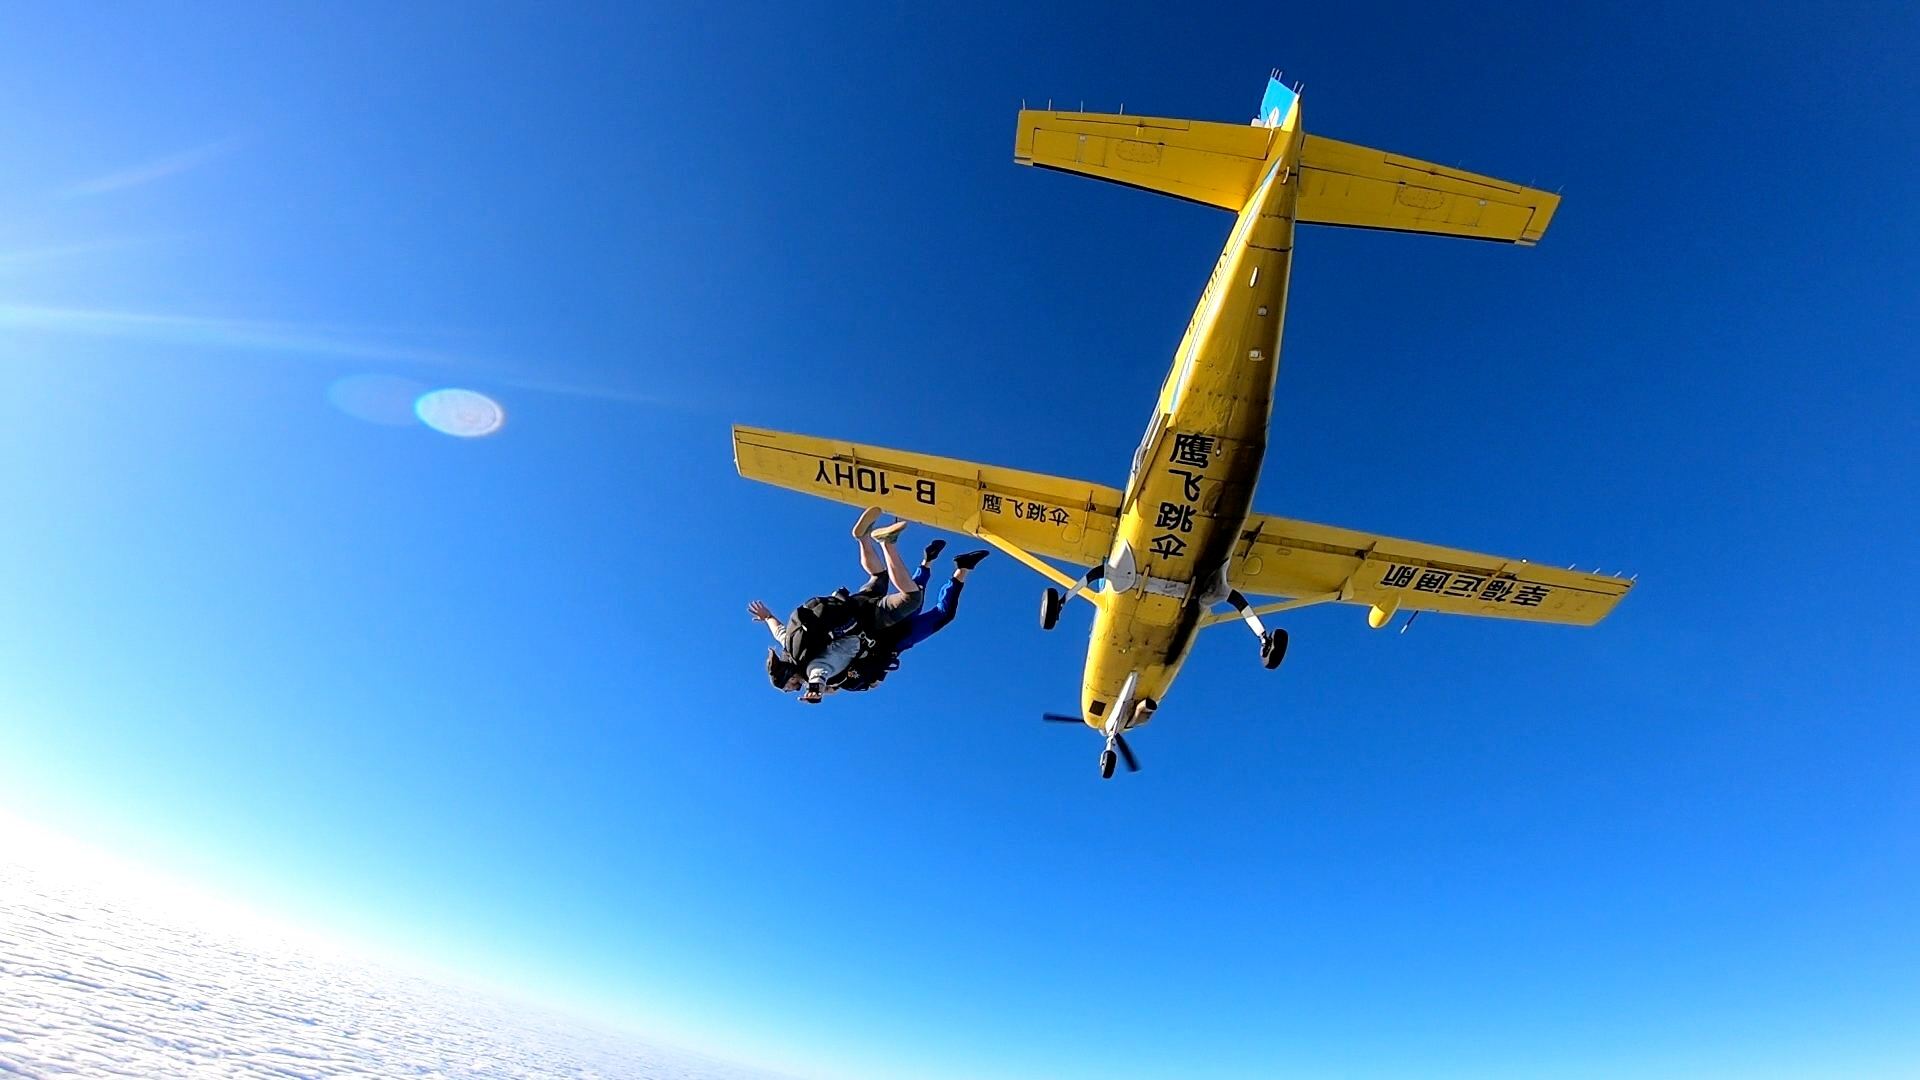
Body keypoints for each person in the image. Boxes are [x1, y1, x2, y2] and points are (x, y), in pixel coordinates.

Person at [749, 506, 925, 703]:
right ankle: (863, 538)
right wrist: (768, 617)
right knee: (879, 576)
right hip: (850, 605)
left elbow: (820, 671)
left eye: (789, 687)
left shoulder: (809, 667)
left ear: (788, 677)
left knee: (912, 598)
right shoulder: (791, 645)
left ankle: (887, 544)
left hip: (867, 621)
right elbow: (779, 631)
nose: (793, 689)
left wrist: (815, 689)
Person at [834, 541, 989, 691]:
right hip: (900, 639)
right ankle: (961, 566)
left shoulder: (838, 671)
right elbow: (876, 675)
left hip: (890, 630)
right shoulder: (850, 681)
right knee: (936, 609)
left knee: (914, 597)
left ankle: (931, 560)